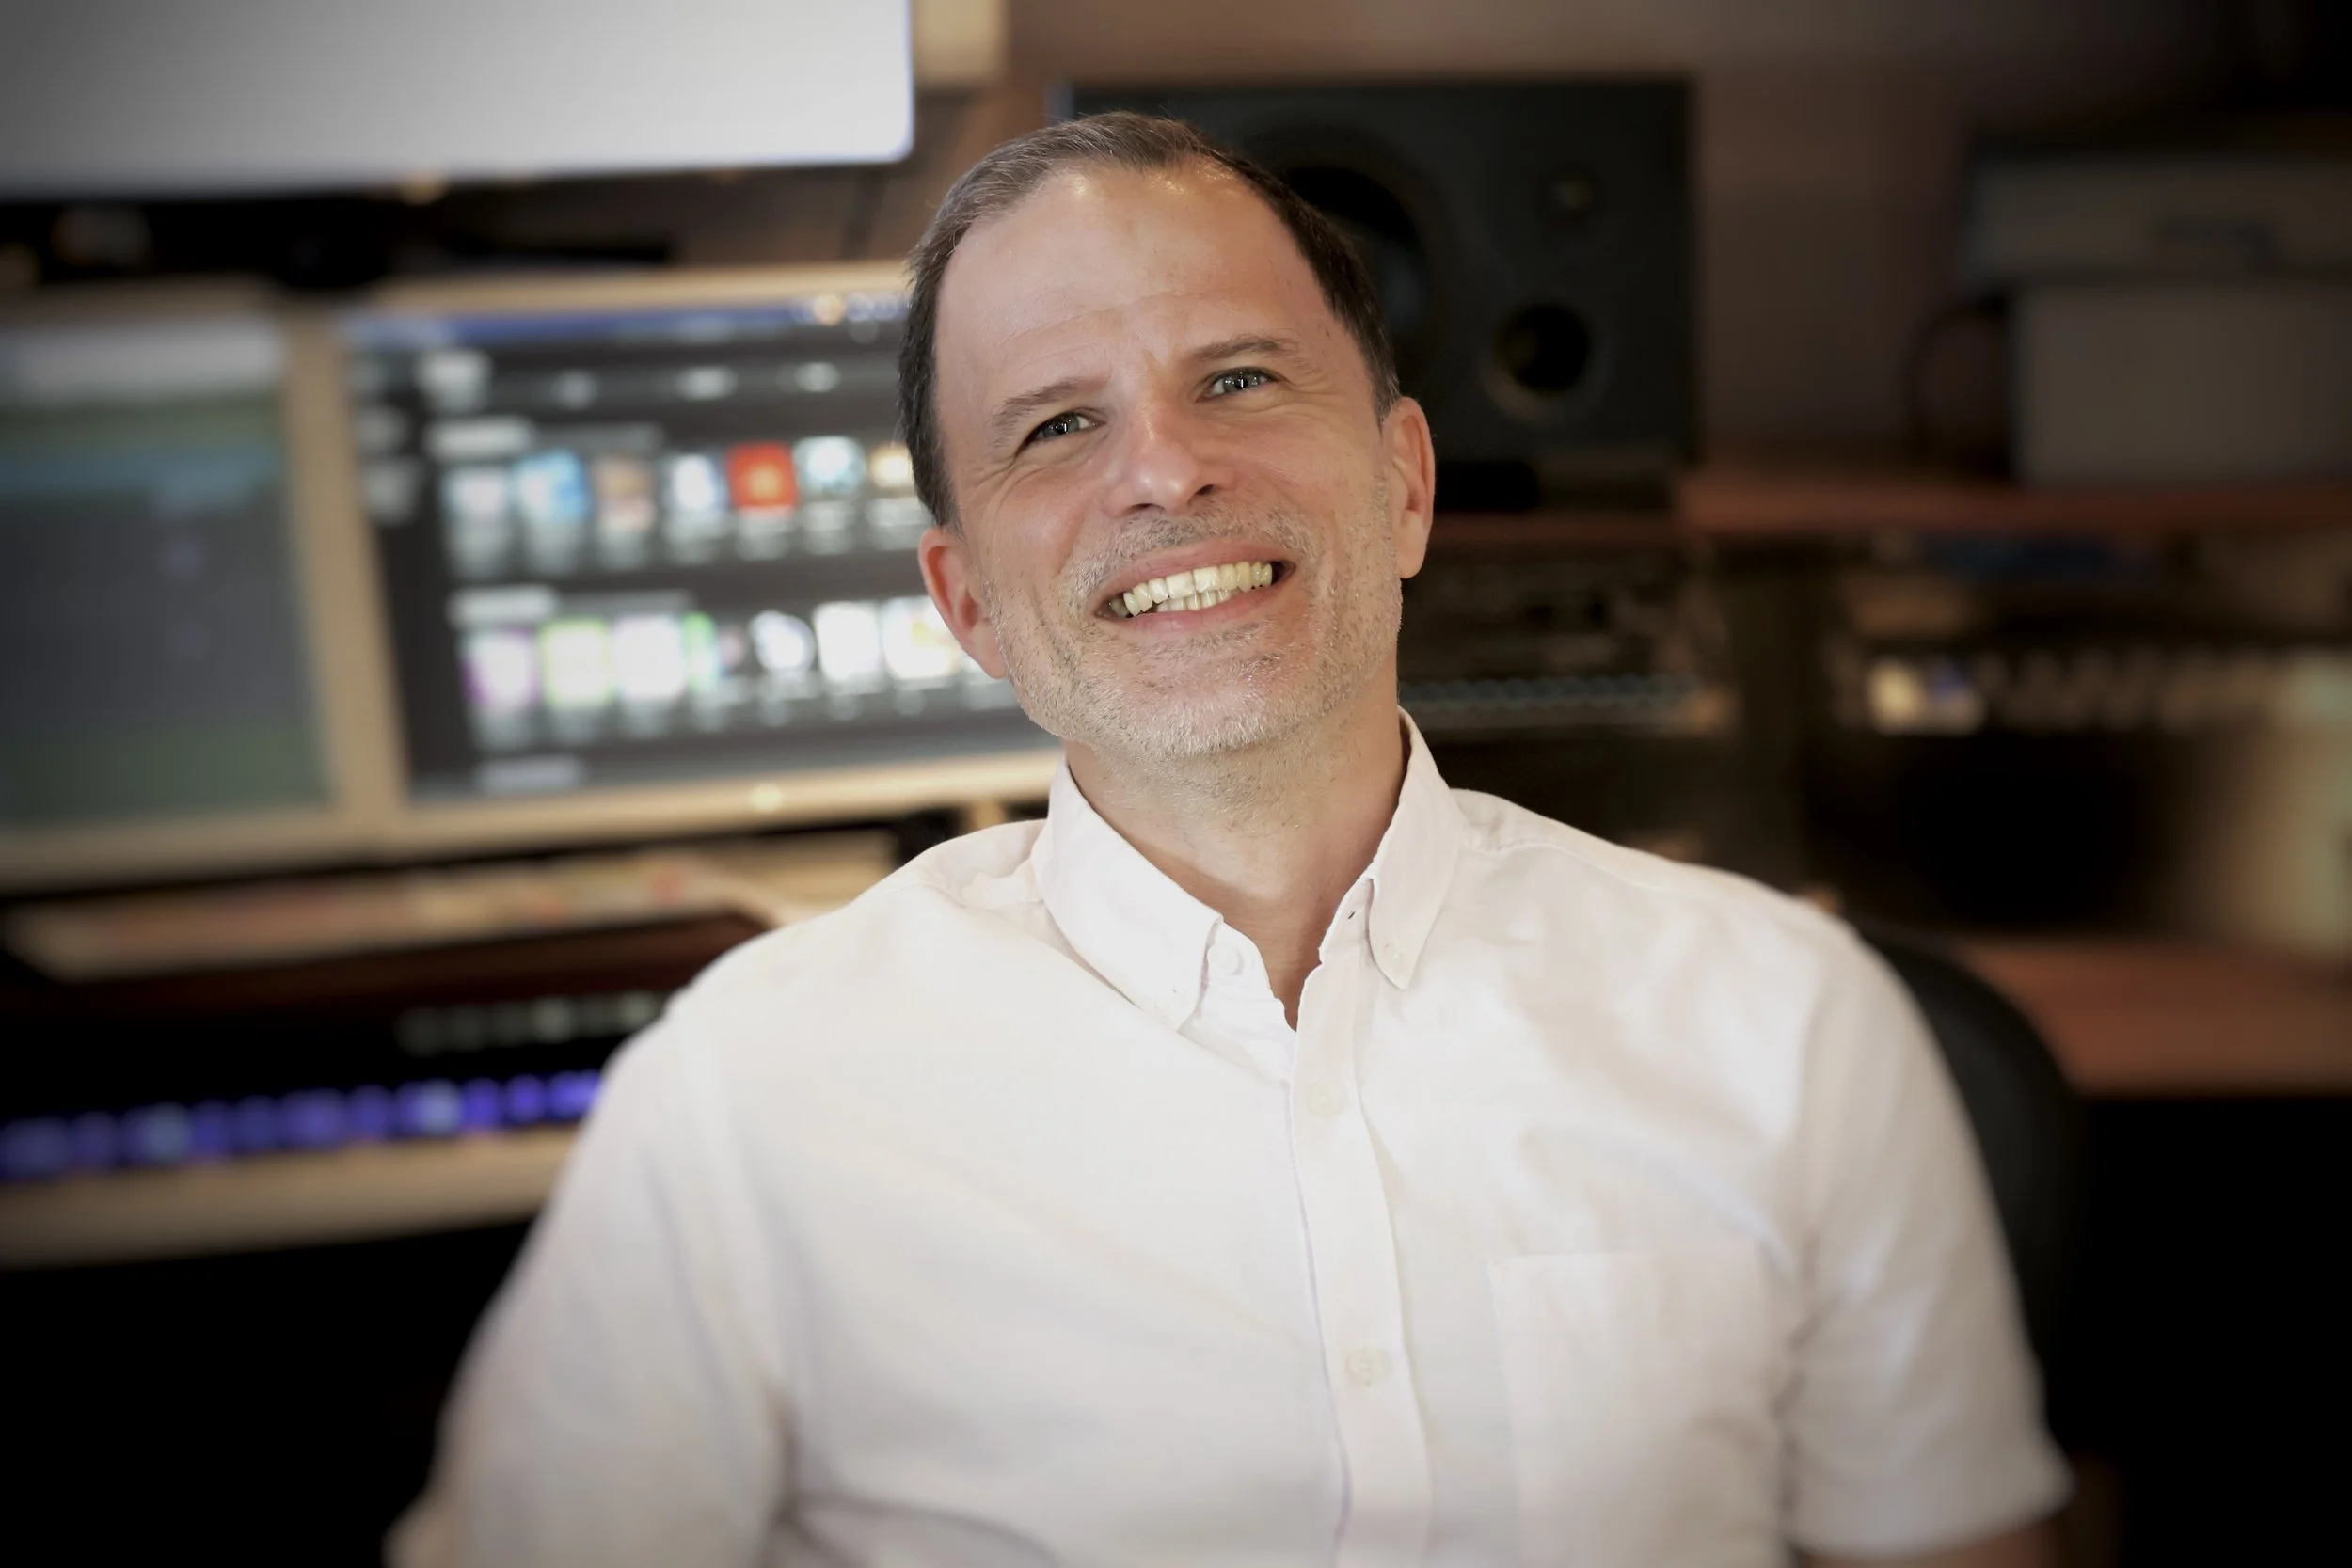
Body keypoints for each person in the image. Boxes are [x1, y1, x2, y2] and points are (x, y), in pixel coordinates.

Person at [392, 113, 2067, 1568]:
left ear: (1405, 485)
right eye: (1058, 425)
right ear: (967, 600)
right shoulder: (746, 1101)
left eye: (1241, 378)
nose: (1167, 470)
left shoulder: (1789, 1023)